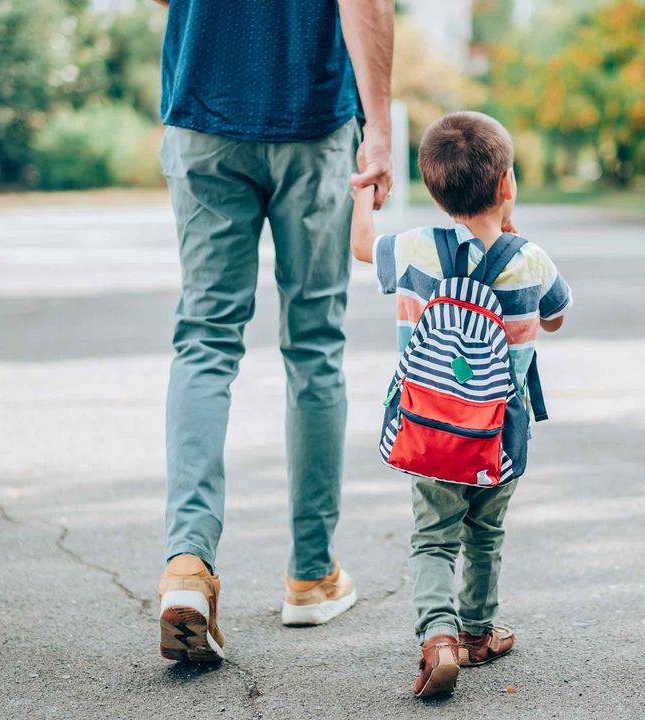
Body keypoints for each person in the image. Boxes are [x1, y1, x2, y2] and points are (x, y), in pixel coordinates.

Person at [153, 0, 394, 664]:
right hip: (311, 119)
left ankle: (187, 566)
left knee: (205, 339)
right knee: (314, 345)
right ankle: (312, 576)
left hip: (203, 105)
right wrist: (379, 125)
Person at [349, 111, 572, 697]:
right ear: (506, 185)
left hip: (428, 433)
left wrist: (366, 191)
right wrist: (511, 231)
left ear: (433, 189)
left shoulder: (415, 250)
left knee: (433, 537)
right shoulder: (532, 260)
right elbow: (554, 317)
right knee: (484, 534)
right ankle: (477, 633)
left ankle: (438, 639)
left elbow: (359, 246)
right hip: (498, 436)